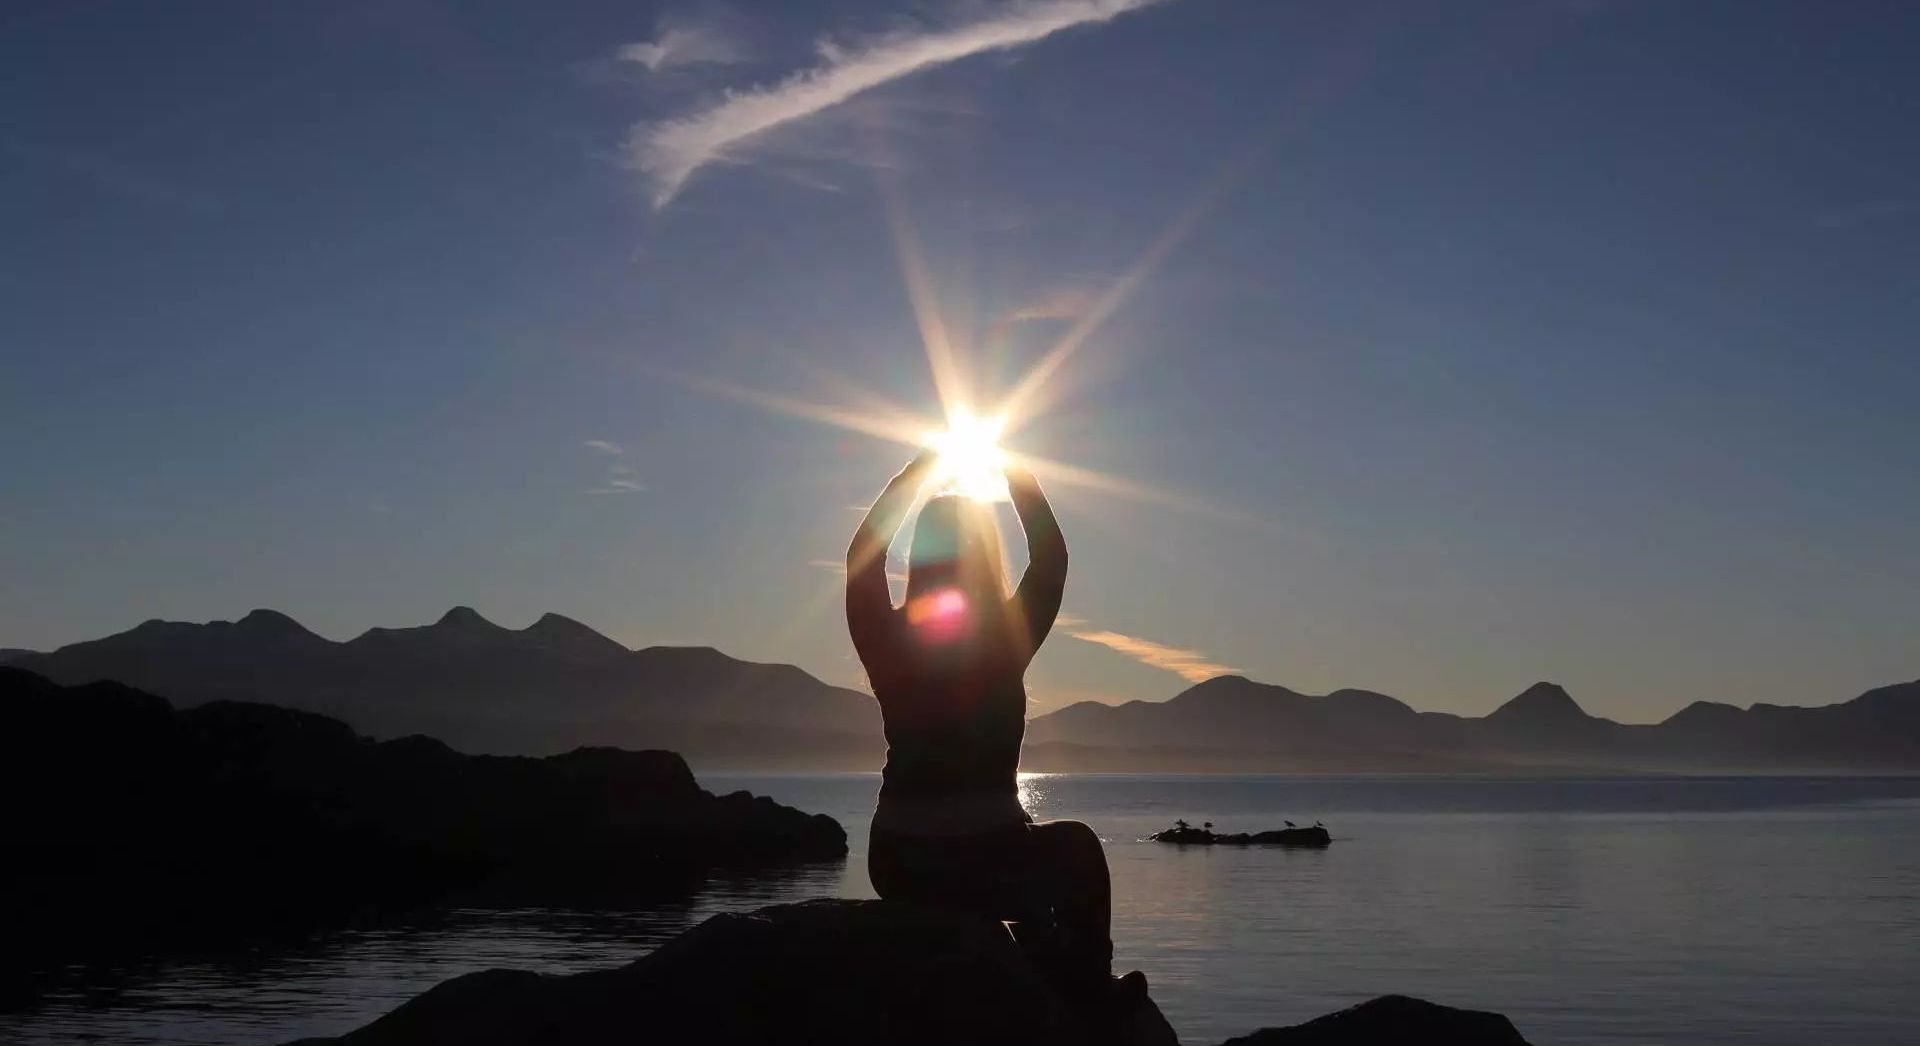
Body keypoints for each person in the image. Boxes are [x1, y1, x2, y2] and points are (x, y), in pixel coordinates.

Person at [847, 450, 1136, 1006]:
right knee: (1076, 847)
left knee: (1034, 896)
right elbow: (1050, 561)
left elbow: (862, 557)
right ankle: (1091, 991)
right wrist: (1020, 477)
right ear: (985, 555)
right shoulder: (1003, 646)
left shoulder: (887, 643)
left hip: (899, 862)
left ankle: (1047, 970)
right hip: (984, 859)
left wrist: (909, 482)